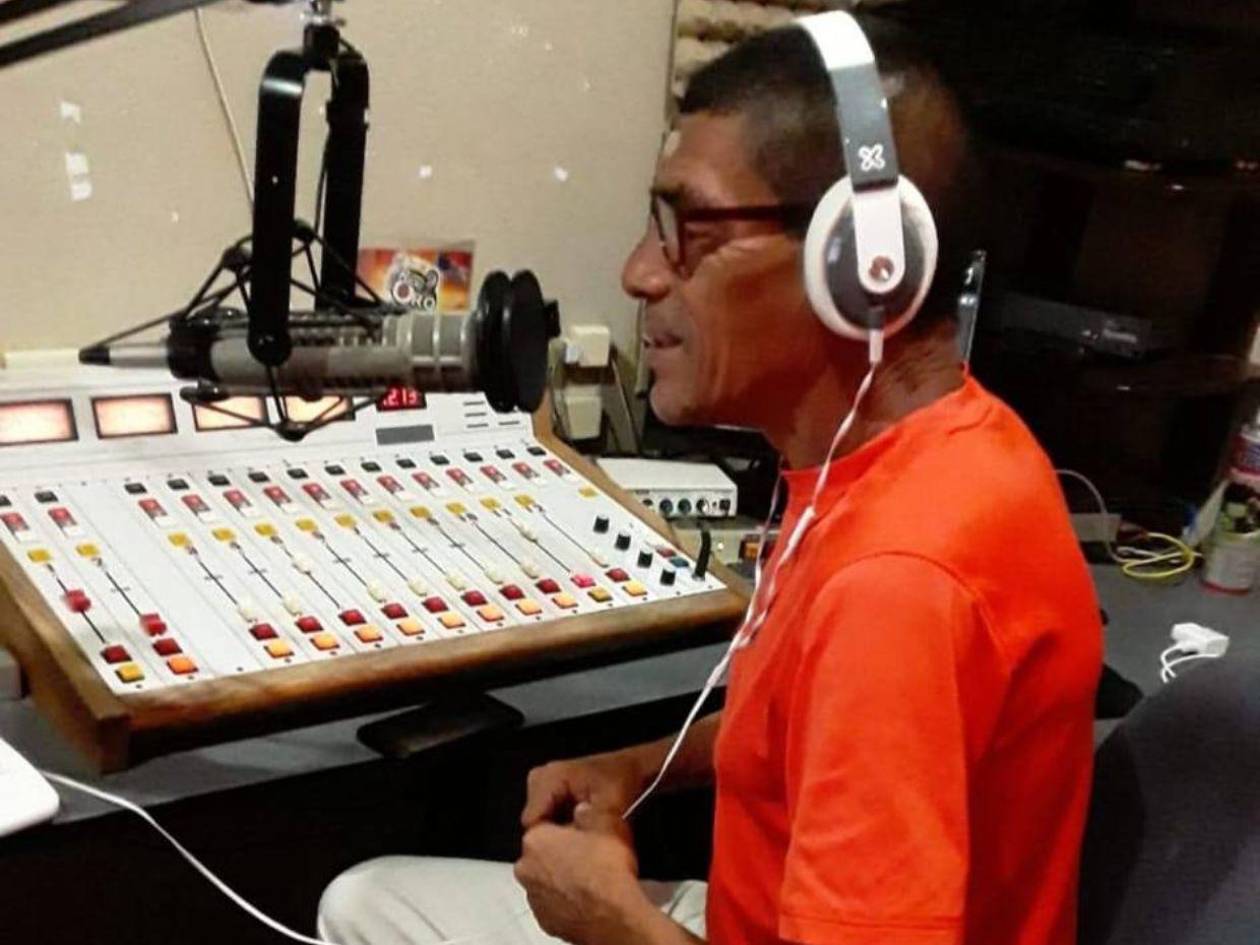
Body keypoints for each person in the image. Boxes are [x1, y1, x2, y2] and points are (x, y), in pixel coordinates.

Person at [319, 11, 1102, 945]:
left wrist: (614, 921)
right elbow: (807, 730)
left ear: (864, 263)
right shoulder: (941, 448)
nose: (639, 273)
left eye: (688, 227)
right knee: (366, 898)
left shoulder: (897, 586)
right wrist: (641, 765)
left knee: (360, 906)